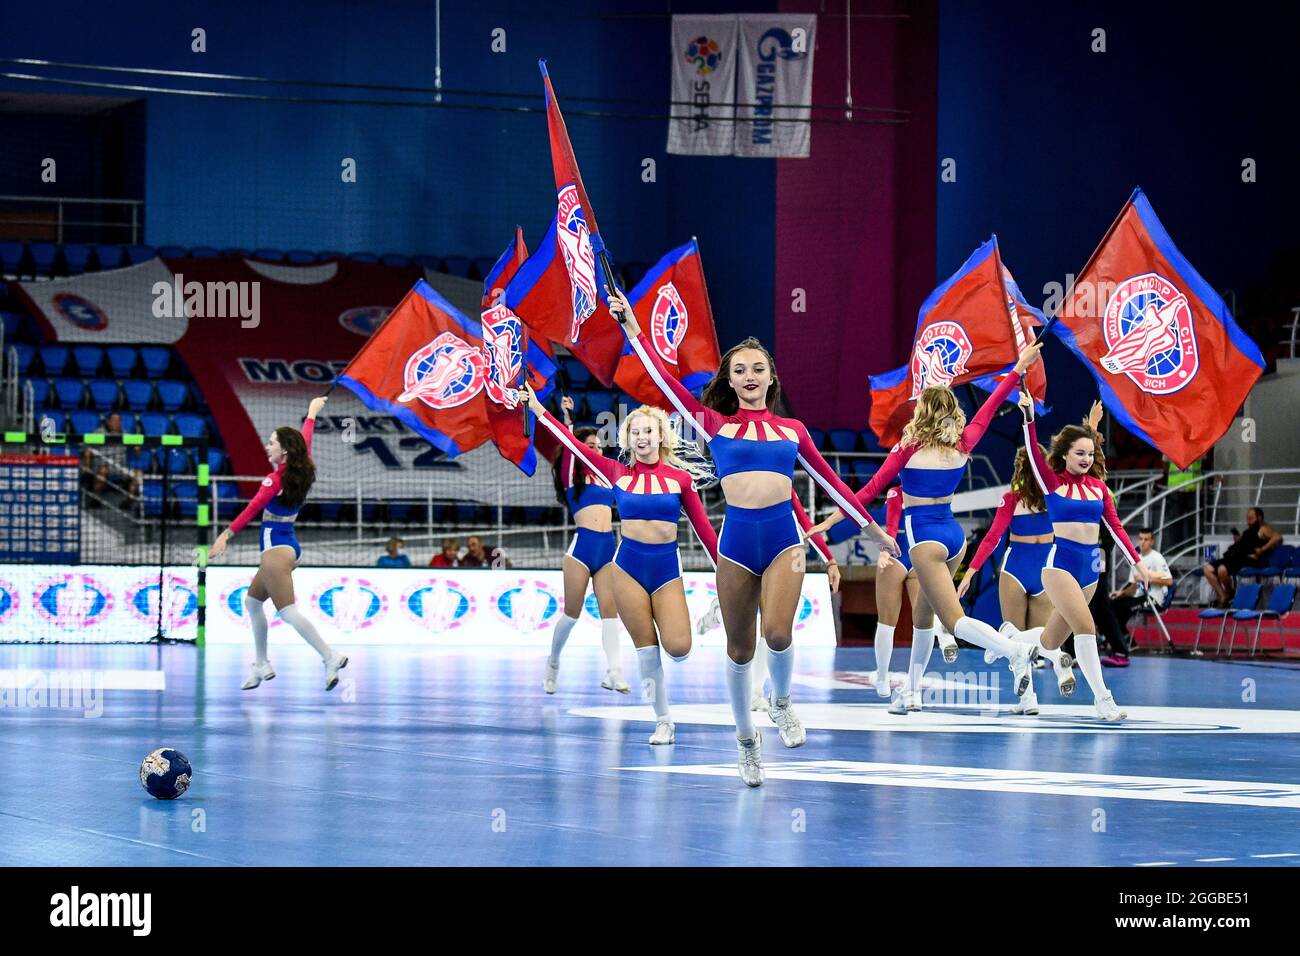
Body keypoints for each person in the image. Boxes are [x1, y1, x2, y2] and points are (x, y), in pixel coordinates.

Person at [614, 285, 876, 786]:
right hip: (736, 545)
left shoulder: (793, 431)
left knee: (777, 633)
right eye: (739, 370)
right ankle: (746, 742)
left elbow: (833, 484)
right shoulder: (713, 425)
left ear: (771, 378)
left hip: (783, 542)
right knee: (740, 650)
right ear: (729, 382)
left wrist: (873, 530)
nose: (750, 376)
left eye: (758, 369)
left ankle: (781, 702)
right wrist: (632, 329)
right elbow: (664, 383)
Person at [808, 342, 1046, 713]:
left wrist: (833, 518)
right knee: (922, 618)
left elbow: (869, 491)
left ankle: (1014, 651)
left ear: (924, 414)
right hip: (954, 538)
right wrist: (1017, 369)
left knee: (953, 620)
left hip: (925, 540)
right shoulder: (965, 443)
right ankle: (912, 693)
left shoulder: (909, 447)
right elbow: (988, 408)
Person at [528, 387, 719, 744]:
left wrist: (726, 574)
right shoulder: (616, 472)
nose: (642, 437)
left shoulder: (680, 480)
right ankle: (663, 720)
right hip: (626, 568)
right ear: (627, 440)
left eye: (648, 430)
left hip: (665, 570)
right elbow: (572, 446)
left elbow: (706, 533)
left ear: (661, 436)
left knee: (679, 648)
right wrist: (539, 409)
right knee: (646, 650)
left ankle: (702, 626)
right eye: (635, 432)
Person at [1021, 393, 1150, 721]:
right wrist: (1028, 418)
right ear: (1064, 455)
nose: (1086, 458)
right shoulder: (1052, 484)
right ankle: (1103, 699)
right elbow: (1035, 455)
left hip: (1090, 568)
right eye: (1079, 453)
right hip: (1060, 565)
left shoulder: (1099, 488)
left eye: (1091, 454)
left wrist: (1137, 561)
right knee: (1086, 626)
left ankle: (1014, 647)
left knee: (1050, 642)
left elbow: (1117, 528)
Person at [209, 396, 349, 691]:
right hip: (288, 546)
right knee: (252, 602)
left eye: (272, 442)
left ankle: (330, 655)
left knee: (287, 612)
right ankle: (261, 663)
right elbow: (306, 439)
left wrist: (224, 536)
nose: (267, 446)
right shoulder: (304, 467)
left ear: (284, 450)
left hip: (274, 551)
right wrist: (311, 412)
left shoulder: (273, 481)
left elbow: (250, 511)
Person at [957, 431, 1077, 713]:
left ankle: (1027, 698)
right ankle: (1057, 657)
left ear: (1018, 469)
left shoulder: (1011, 498)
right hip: (1045, 569)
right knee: (1039, 634)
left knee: (1014, 637)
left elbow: (992, 539)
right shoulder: (1055, 495)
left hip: (1016, 569)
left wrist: (971, 572)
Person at [542, 395, 627, 695]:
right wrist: (568, 417)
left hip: (608, 549)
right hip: (581, 551)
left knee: (610, 613)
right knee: (572, 614)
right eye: (590, 447)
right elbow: (568, 447)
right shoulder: (572, 478)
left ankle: (614, 672)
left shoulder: (607, 477)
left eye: (599, 447)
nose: (596, 451)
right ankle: (553, 662)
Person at [1103, 527, 1172, 663]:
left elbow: (1169, 580)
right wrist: (1121, 593)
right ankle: (1127, 642)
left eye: (1146, 539)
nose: (1143, 542)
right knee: (1111, 605)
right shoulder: (1136, 558)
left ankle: (1124, 643)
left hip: (1152, 598)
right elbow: (1133, 587)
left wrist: (1147, 578)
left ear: (1152, 541)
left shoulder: (1157, 558)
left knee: (1120, 609)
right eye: (1141, 539)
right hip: (1138, 597)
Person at [1201, 507, 1281, 607]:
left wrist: (1263, 549)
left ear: (1259, 518)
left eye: (1251, 518)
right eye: (1247, 518)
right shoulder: (1247, 532)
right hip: (1235, 556)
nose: (1248, 521)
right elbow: (1243, 543)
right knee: (1207, 569)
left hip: (1248, 559)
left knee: (1222, 570)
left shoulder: (1263, 529)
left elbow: (1277, 537)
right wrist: (1238, 540)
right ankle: (1223, 595)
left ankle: (1229, 593)